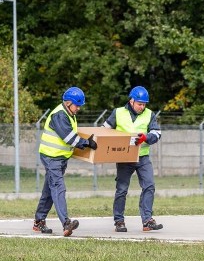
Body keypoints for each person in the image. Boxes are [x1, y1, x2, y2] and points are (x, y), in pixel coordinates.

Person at [33, 87, 97, 237]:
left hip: (60, 158)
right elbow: (69, 138)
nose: (79, 108)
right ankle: (66, 223)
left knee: (49, 190)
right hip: (51, 157)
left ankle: (39, 221)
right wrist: (87, 143)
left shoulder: (69, 114)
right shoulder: (60, 115)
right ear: (68, 103)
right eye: (77, 105)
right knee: (58, 187)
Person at [103, 86, 163, 232]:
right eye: (140, 104)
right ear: (131, 101)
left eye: (144, 104)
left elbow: (157, 133)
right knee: (122, 190)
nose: (142, 107)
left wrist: (146, 137)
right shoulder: (118, 113)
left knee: (149, 186)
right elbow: (104, 130)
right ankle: (119, 221)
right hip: (124, 158)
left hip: (142, 157)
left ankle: (147, 220)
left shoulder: (150, 114)